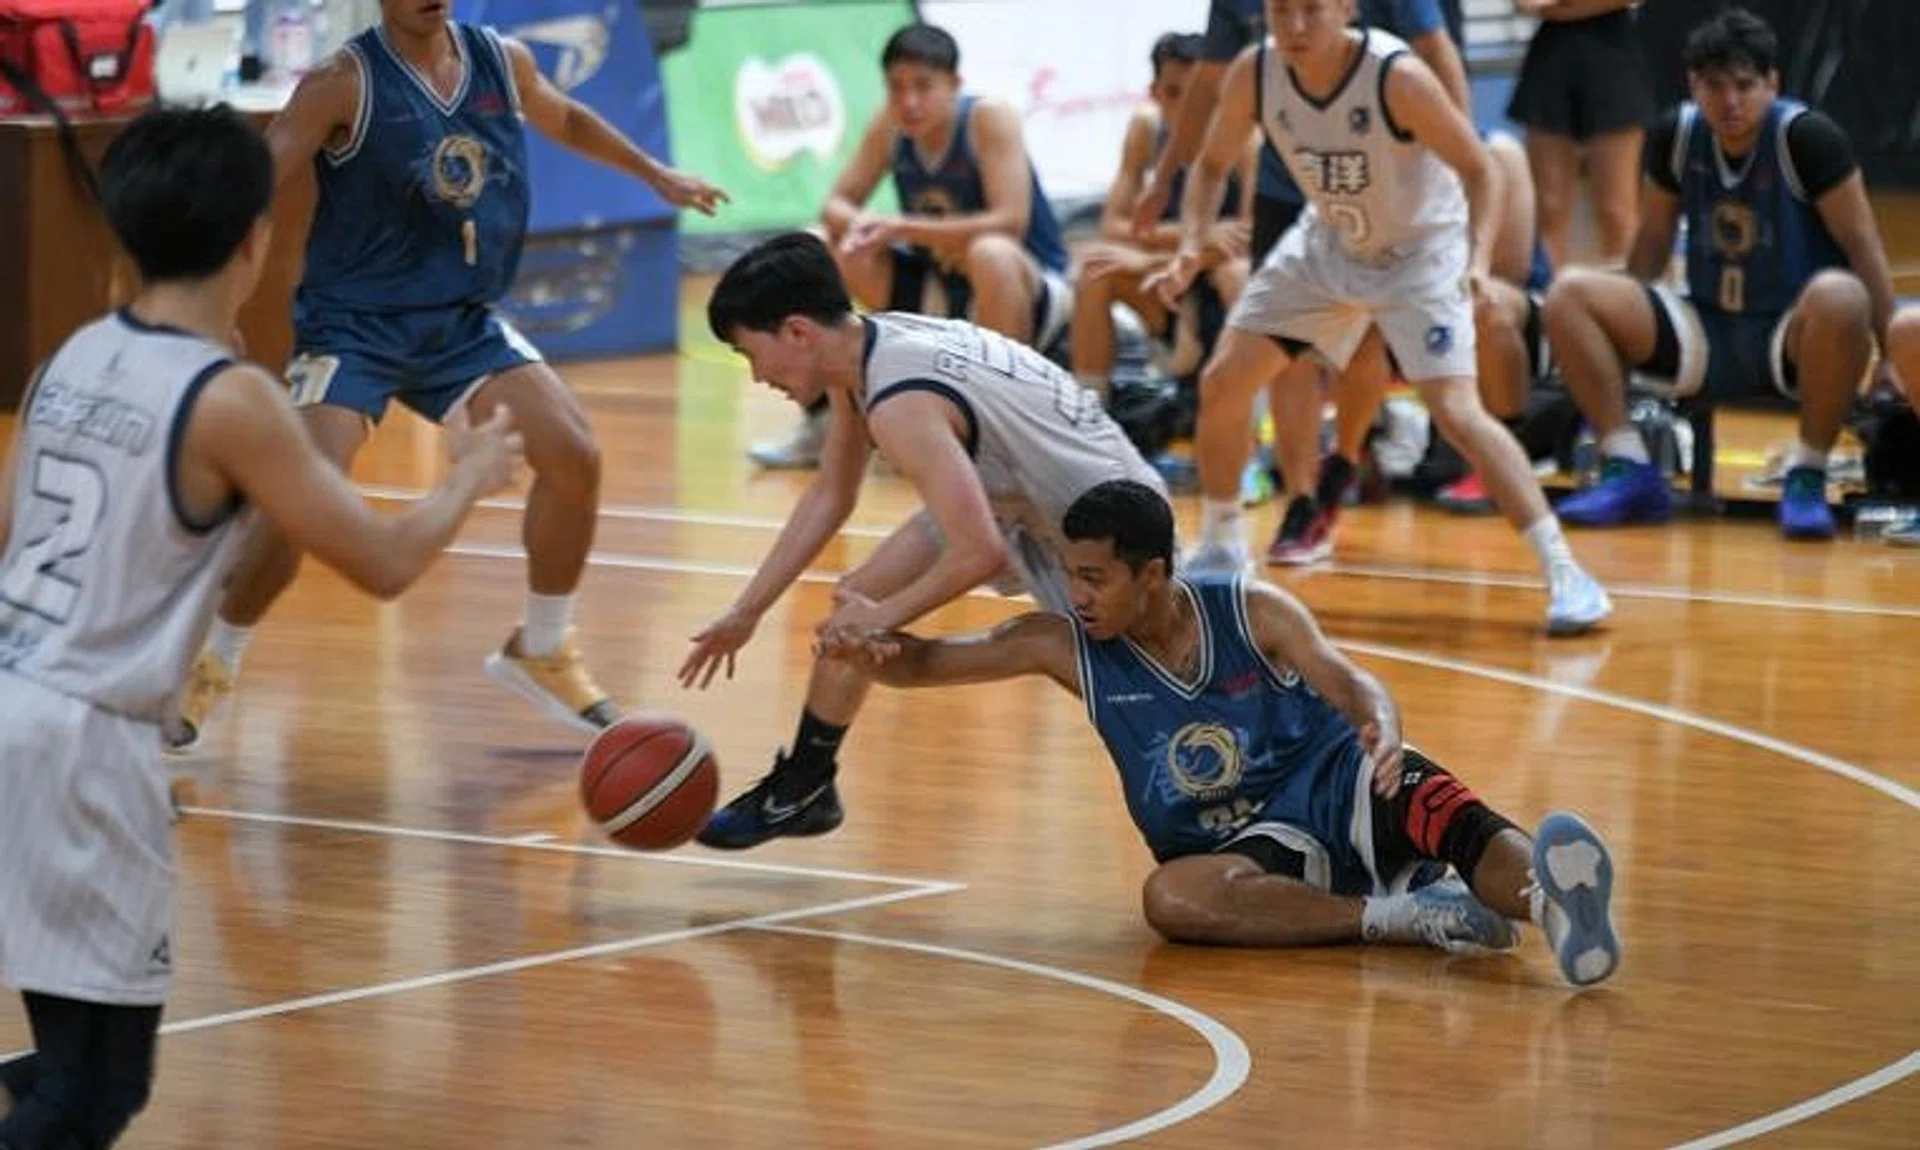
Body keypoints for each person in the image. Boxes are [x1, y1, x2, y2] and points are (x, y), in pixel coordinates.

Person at [0, 105, 521, 1150]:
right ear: (256, 238)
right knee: (88, 1094)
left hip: (16, 705)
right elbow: (381, 564)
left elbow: (20, 540)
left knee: (69, 1065)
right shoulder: (231, 400)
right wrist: (468, 476)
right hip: (89, 748)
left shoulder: (68, 358)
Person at [167, 0, 727, 752]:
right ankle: (214, 661)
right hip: (355, 327)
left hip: (459, 321)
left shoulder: (502, 60)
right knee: (299, 505)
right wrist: (213, 297)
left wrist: (654, 172)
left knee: (573, 454)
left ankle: (544, 647)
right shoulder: (340, 83)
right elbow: (252, 190)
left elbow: (565, 120)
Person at [817, 479, 1621, 987]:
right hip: (1244, 848)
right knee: (1170, 899)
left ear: (1154, 576)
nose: (1078, 594)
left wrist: (1383, 728)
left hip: (1338, 782)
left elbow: (1350, 682)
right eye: (1070, 575)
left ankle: (1556, 906)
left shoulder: (1251, 608)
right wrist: (871, 646)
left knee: (1440, 807)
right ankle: (1403, 917)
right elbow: (932, 664)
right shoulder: (1060, 645)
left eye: (1095, 578)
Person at [680, 232, 1165, 849]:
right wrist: (746, 613)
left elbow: (978, 551)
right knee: (859, 599)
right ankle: (805, 786)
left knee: (1125, 693)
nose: (757, 377)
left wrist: (881, 620)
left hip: (1110, 539)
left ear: (798, 332)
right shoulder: (870, 345)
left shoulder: (898, 400)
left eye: (753, 355)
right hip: (1035, 497)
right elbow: (832, 493)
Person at [1148, 0, 1611, 635]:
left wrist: (1476, 259)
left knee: (1457, 411)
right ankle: (1224, 547)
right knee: (1223, 381)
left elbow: (1479, 170)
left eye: (1313, 10)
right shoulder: (1255, 72)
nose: (1297, 27)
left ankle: (1566, 572)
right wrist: (1192, 244)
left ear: (1346, 9)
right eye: (1282, 11)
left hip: (1420, 250)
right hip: (1331, 242)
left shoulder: (1396, 76)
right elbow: (1209, 168)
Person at [1544, 6, 1898, 541]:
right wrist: (1614, 335)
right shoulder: (1678, 134)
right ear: (1693, 84)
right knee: (1571, 292)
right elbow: (1653, 244)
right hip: (1705, 328)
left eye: (1744, 85)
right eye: (1714, 86)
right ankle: (1627, 465)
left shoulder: (1808, 137)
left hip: (1790, 335)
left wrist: (1889, 356)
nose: (1730, 102)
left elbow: (1864, 247)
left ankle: (1806, 472)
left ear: (1772, 82)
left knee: (1842, 294)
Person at [747, 22, 1072, 471]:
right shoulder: (891, 126)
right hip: (943, 288)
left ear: (954, 84)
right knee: (819, 250)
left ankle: (1002, 432)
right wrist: (866, 227)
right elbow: (836, 205)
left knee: (990, 252)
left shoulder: (988, 118)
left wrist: (899, 227)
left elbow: (1010, 221)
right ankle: (823, 419)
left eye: (923, 86)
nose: (909, 101)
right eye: (897, 87)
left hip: (1029, 287)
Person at [1069, 32, 1256, 398]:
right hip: (1177, 279)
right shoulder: (1146, 128)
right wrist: (1200, 236)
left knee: (1236, 272)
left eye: (1199, 96)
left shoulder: (1247, 138)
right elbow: (1113, 225)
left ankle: (1260, 417)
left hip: (1225, 283)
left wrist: (1151, 256)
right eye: (1174, 94)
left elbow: (1251, 238)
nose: (1188, 109)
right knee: (1095, 269)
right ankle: (1089, 410)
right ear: (1155, 92)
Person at [1506, 0, 1654, 268]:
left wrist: (1560, 6)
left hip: (1614, 54)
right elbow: (1528, 3)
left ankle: (1622, 303)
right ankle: (1549, 302)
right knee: (1549, 208)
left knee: (1617, 212)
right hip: (1551, 57)